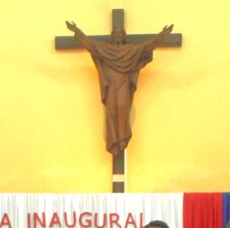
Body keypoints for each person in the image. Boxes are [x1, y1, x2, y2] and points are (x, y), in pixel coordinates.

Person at [64, 20, 174, 156]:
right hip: (110, 85)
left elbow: (146, 46)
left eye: (120, 33)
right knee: (111, 110)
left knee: (122, 106)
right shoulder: (104, 49)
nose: (117, 35)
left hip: (123, 84)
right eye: (115, 33)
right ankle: (113, 139)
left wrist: (162, 35)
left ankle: (122, 137)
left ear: (124, 36)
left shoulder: (131, 50)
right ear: (111, 36)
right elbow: (90, 45)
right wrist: (77, 31)